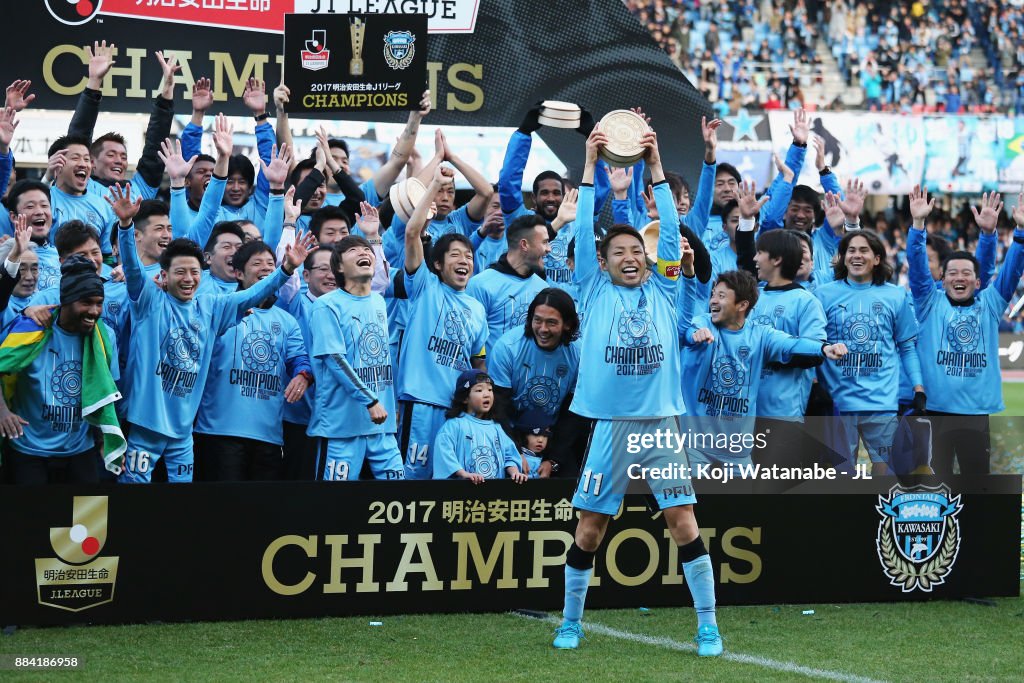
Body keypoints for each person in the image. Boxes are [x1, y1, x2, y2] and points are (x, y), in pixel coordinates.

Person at [552, 122, 722, 656]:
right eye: (618, 251)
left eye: (636, 251)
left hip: (661, 428)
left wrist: (654, 167)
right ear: (601, 262)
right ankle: (571, 622)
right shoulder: (591, 289)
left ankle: (708, 625)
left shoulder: (668, 289)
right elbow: (584, 226)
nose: (630, 256)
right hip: (609, 429)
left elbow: (672, 232)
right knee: (590, 531)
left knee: (684, 523)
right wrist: (588, 164)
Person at [107, 182, 311, 484]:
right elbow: (134, 271)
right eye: (179, 272)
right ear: (163, 276)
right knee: (134, 497)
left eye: (193, 273)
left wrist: (285, 270)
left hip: (183, 432)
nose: (188, 279)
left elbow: (254, 294)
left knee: (186, 504)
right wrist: (125, 225)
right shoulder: (149, 301)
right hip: (145, 424)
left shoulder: (213, 307)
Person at [907, 188, 1024, 475]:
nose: (960, 277)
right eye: (953, 273)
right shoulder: (928, 303)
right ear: (942, 279)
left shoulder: (991, 303)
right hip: (935, 410)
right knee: (937, 482)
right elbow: (918, 267)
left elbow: (1011, 271)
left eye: (967, 273)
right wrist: (918, 226)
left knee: (976, 484)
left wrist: (1019, 230)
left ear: (978, 280)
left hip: (975, 413)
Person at [679, 268, 843, 467]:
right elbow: (687, 331)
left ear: (742, 305)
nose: (713, 300)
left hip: (737, 452)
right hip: (695, 447)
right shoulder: (703, 323)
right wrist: (693, 335)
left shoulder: (760, 334)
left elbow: (791, 343)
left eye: (721, 296)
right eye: (713, 294)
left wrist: (823, 348)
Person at [194, 240, 311, 481]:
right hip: (219, 433)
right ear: (238, 273)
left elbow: (299, 359)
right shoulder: (221, 309)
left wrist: (302, 376)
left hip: (268, 437)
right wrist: (285, 270)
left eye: (271, 263)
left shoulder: (286, 320)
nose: (266, 268)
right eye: (257, 263)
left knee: (261, 513)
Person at [397, 166, 488, 480]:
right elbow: (412, 232)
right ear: (437, 263)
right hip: (419, 403)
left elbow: (478, 361)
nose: (464, 261)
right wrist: (435, 183)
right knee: (412, 483)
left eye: (468, 256)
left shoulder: (477, 308)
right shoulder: (424, 286)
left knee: (449, 484)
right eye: (455, 255)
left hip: (457, 412)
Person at [0, 254, 123, 484]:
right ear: (66, 300)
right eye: (86, 302)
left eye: (99, 303)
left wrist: (104, 438)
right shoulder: (30, 329)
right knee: (31, 520)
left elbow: (106, 389)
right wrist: (3, 411)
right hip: (29, 451)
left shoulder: (104, 337)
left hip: (80, 451)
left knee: (89, 519)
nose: (94, 311)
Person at [814, 230, 925, 475]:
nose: (857, 255)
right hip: (838, 402)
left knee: (887, 473)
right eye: (851, 250)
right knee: (841, 475)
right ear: (843, 258)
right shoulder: (822, 295)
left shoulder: (895, 295)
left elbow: (907, 347)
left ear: (876, 259)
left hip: (881, 402)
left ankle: (876, 513)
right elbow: (815, 343)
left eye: (863, 250)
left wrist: (918, 387)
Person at [307, 235, 404, 481]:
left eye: (366, 249)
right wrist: (371, 401)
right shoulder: (326, 305)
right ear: (338, 266)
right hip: (341, 427)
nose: (364, 253)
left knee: (398, 499)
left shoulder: (379, 302)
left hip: (382, 427)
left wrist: (390, 404)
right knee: (333, 507)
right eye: (353, 250)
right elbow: (335, 359)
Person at [488, 287, 581, 476]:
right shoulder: (508, 348)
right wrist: (513, 452)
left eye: (551, 323)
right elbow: (499, 408)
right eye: (537, 320)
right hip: (510, 433)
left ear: (568, 325)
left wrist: (553, 459)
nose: (543, 329)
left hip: (551, 436)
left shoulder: (578, 354)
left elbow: (572, 414)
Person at [282, 245, 337, 479]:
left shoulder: (346, 306)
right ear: (306, 275)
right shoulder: (295, 303)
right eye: (323, 269)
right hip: (299, 416)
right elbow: (284, 284)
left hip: (336, 417)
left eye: (336, 268)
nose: (331, 275)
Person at [467, 214, 551, 352]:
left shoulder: (544, 289)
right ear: (524, 244)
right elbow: (470, 340)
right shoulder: (480, 285)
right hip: (489, 373)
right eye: (545, 242)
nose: (549, 249)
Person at [432, 370, 527, 483]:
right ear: (465, 398)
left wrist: (514, 472)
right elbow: (444, 453)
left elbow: (510, 455)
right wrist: (463, 473)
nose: (487, 394)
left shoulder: (497, 428)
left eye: (490, 390)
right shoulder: (454, 425)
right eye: (479, 390)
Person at [5, 180, 61, 292]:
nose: (40, 211)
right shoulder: (6, 256)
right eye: (30, 207)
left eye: (44, 205)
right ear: (14, 217)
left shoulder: (62, 255)